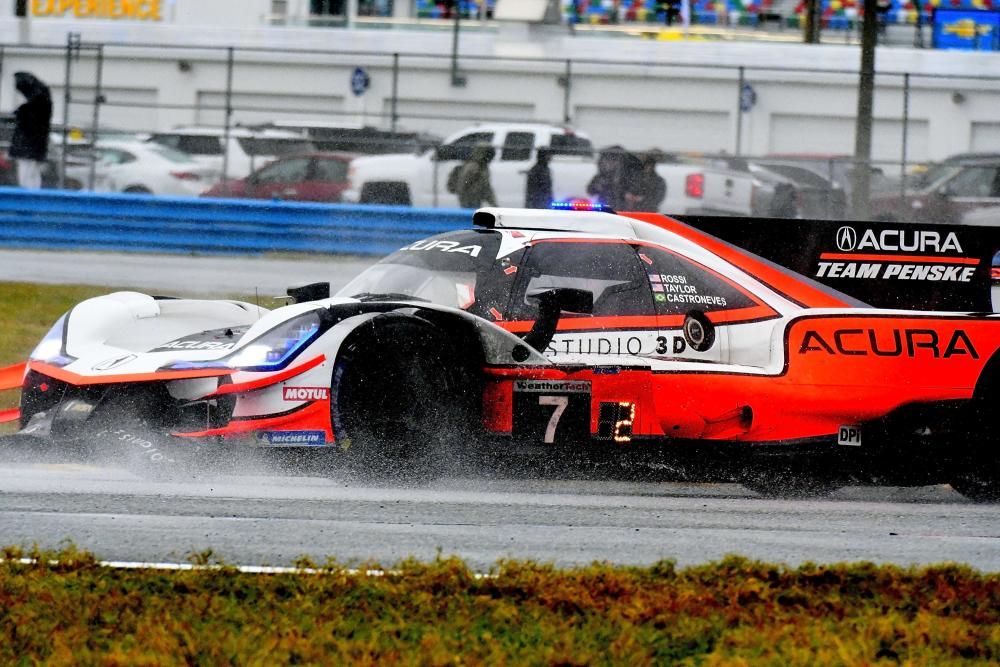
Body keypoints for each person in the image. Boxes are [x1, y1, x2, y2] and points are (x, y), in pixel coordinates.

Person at [9, 72, 52, 190]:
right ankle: (33, 196)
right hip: (33, 148)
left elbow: (24, 120)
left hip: (28, 147)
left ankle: (29, 196)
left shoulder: (33, 107)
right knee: (31, 175)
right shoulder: (40, 104)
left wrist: (21, 112)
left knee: (26, 176)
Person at [455, 143, 497, 209]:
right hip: (469, 201)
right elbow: (463, 185)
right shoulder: (474, 167)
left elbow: (486, 187)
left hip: (475, 200)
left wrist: (493, 203)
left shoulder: (483, 167)